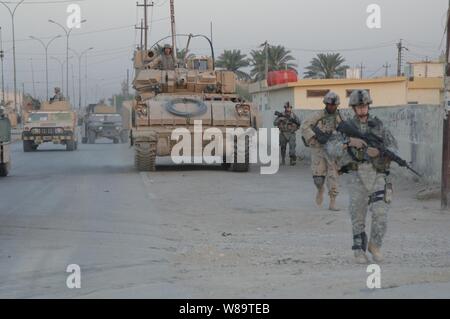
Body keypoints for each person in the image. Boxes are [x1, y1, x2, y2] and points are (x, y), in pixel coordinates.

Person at [325, 90, 397, 264]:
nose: (362, 109)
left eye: (364, 106)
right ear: (354, 108)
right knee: (358, 214)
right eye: (359, 106)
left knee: (381, 212)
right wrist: (349, 142)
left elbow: (393, 148)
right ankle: (358, 250)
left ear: (368, 106)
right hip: (356, 174)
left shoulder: (378, 126)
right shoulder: (347, 127)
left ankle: (375, 245)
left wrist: (378, 151)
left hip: (377, 174)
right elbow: (330, 148)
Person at [301, 92, 342, 211]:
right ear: (326, 104)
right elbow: (304, 126)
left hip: (332, 150)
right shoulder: (318, 115)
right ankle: (320, 189)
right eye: (329, 104)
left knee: (333, 175)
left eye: (334, 105)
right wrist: (313, 137)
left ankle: (332, 202)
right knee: (318, 179)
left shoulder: (339, 117)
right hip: (318, 148)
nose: (332, 107)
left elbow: (345, 129)